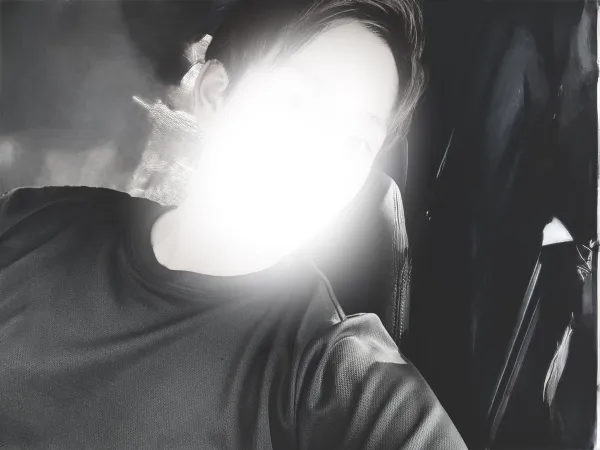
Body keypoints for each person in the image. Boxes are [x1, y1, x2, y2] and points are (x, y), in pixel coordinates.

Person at [0, 0, 467, 448]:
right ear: (214, 94)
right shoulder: (28, 225)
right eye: (297, 106)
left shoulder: (332, 374)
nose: (319, 158)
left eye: (355, 143)